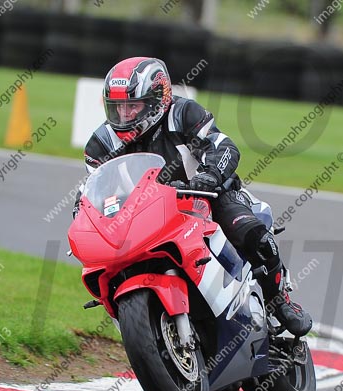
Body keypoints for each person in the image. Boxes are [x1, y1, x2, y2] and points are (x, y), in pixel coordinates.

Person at [77, 57, 311, 337]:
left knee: (254, 235)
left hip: (207, 196)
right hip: (146, 215)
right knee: (112, 265)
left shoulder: (182, 113)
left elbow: (223, 146)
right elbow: (92, 189)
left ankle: (279, 301)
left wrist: (210, 174)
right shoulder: (101, 143)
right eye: (118, 108)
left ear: (156, 100)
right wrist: (86, 213)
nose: (125, 115)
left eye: (132, 106)